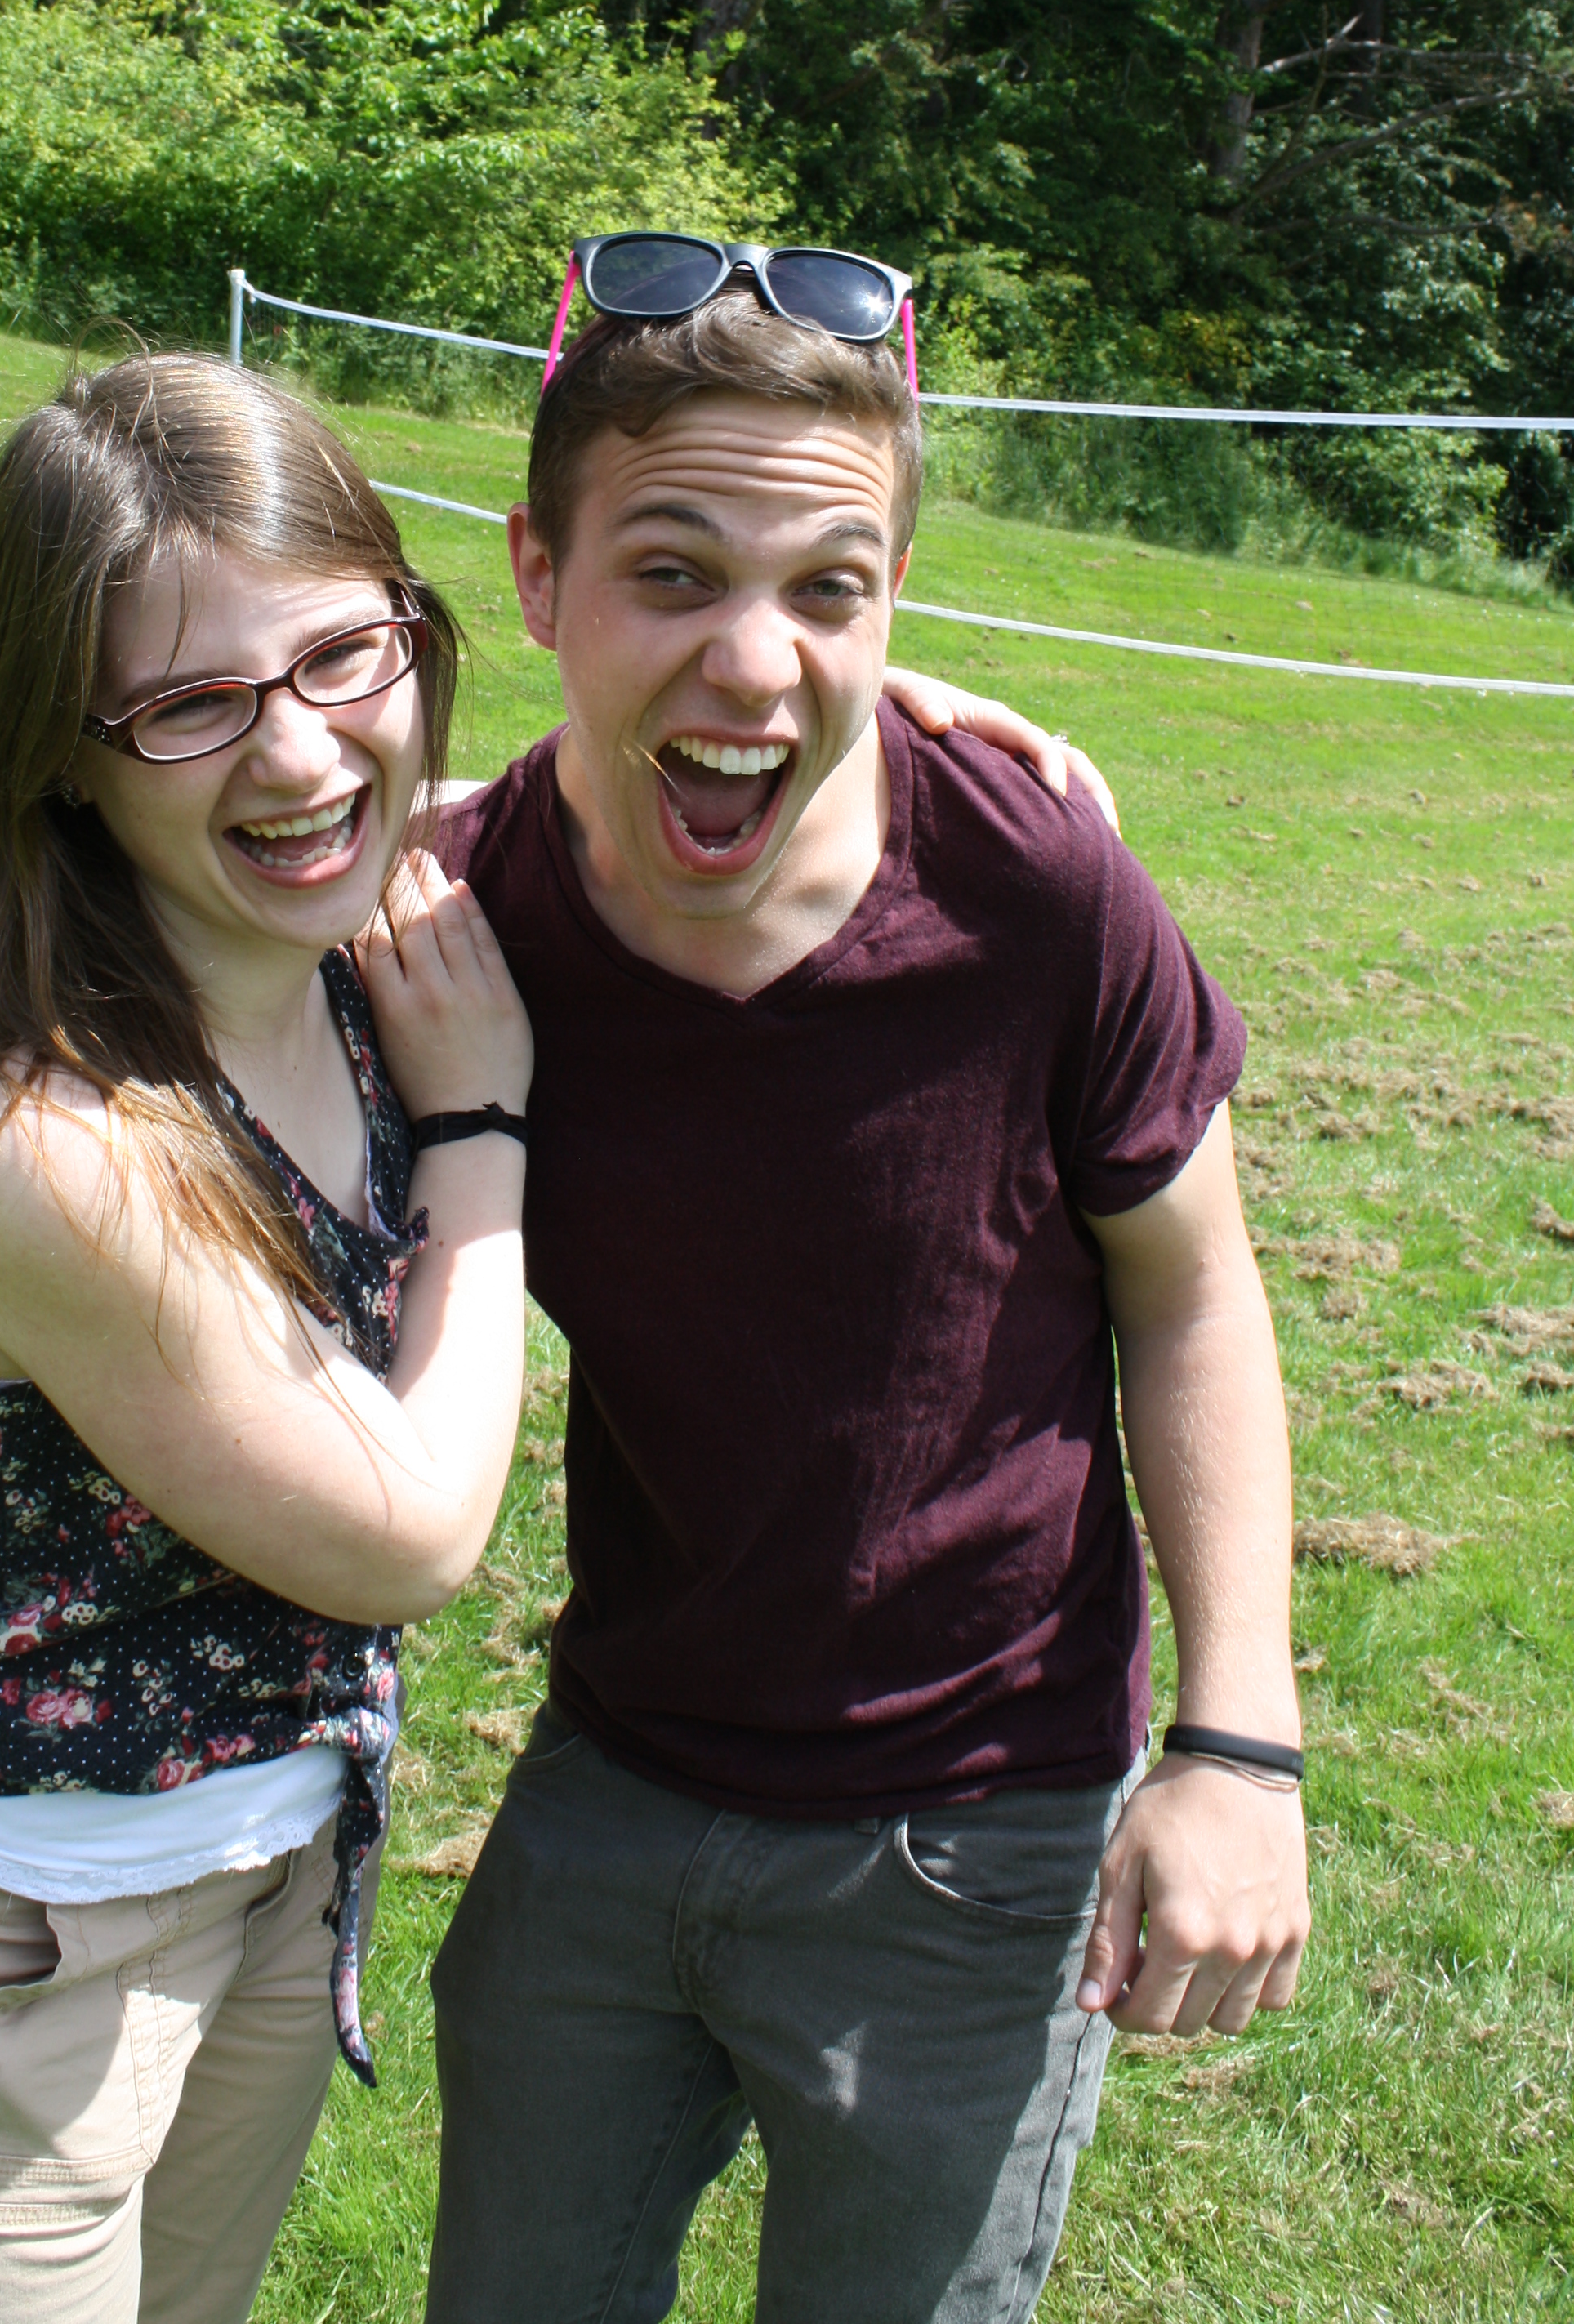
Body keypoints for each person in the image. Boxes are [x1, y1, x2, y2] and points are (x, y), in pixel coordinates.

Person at [421, 240, 1310, 2324]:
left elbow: (1195, 1298)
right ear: (539, 579)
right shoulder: (452, 922)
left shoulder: (1035, 881)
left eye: (830, 588)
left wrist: (1238, 1752)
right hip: (616, 1777)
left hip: (978, 1836)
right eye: (672, 574)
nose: (753, 666)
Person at [0, 350, 535, 2324]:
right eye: (192, 704)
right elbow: (412, 1537)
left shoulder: (343, 890)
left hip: (283, 1875)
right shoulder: (50, 1142)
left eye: (344, 657)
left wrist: (912, 724)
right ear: (64, 750)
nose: (298, 762)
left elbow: (676, 750)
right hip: (9, 1958)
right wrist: (480, 1135)